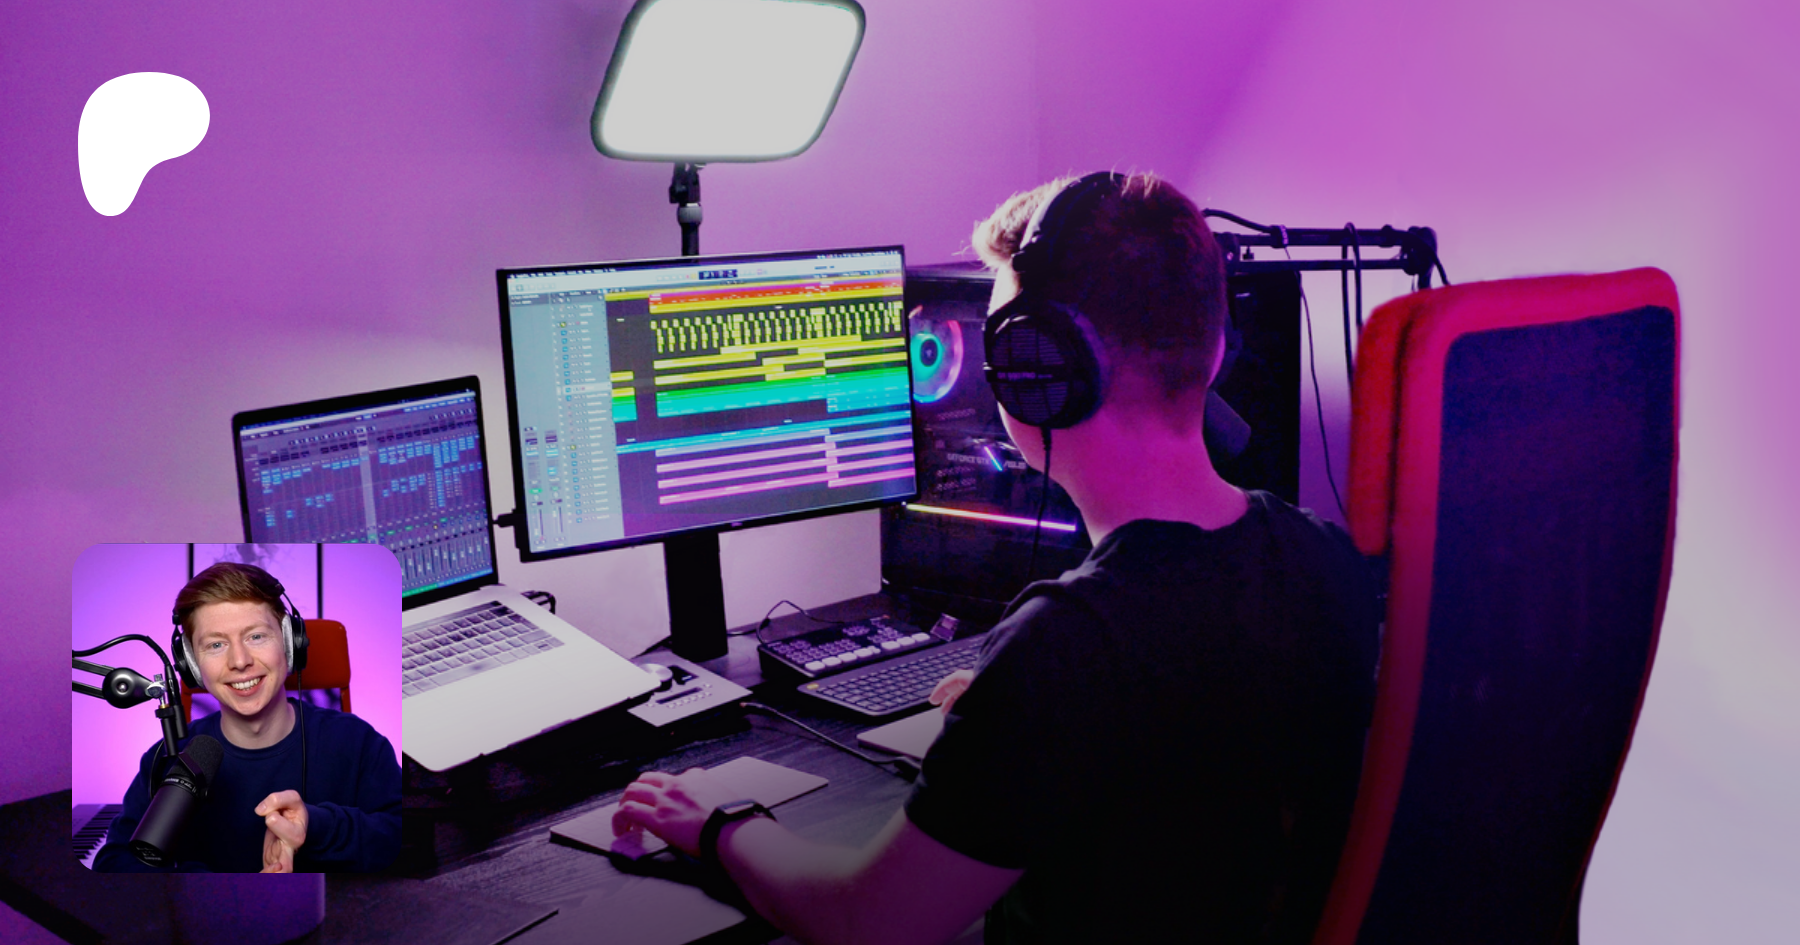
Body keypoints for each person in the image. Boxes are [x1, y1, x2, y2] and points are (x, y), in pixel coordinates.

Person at [612, 173, 1381, 943]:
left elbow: (866, 921)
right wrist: (1006, 726)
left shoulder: (1067, 647)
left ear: (1036, 373)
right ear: (1214, 350)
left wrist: (718, 824)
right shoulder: (1325, 558)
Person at [95, 562, 401, 873]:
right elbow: (114, 864)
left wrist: (315, 826)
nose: (239, 661)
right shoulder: (168, 759)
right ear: (192, 664)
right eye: (216, 644)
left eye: (256, 637)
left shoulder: (358, 743)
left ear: (289, 642)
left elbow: (403, 844)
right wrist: (223, 891)